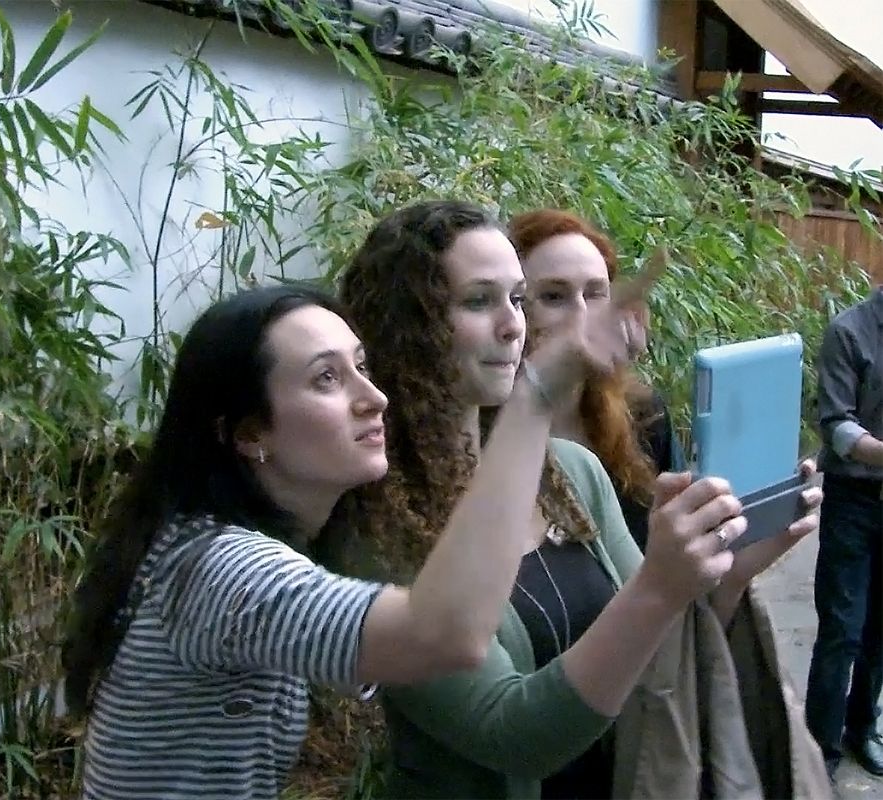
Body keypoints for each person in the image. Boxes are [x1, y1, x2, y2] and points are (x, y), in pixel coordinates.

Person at [61, 282, 644, 800]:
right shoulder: (221, 570)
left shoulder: (236, 542)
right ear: (248, 433)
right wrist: (535, 396)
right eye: (327, 379)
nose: (375, 398)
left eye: (362, 366)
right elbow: (446, 636)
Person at [337, 200, 825, 799]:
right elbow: (514, 735)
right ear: (405, 326)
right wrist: (657, 587)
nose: (512, 324)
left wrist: (725, 566)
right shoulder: (378, 524)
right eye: (477, 301)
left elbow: (650, 653)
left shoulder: (570, 472)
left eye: (516, 298)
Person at [507, 208, 685, 551]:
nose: (582, 315)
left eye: (595, 293)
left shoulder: (645, 417)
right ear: (515, 309)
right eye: (553, 296)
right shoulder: (485, 437)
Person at [805, 283, 883, 780]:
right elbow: (835, 424)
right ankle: (819, 748)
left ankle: (862, 730)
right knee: (842, 631)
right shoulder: (849, 332)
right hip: (853, 502)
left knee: (880, 631)